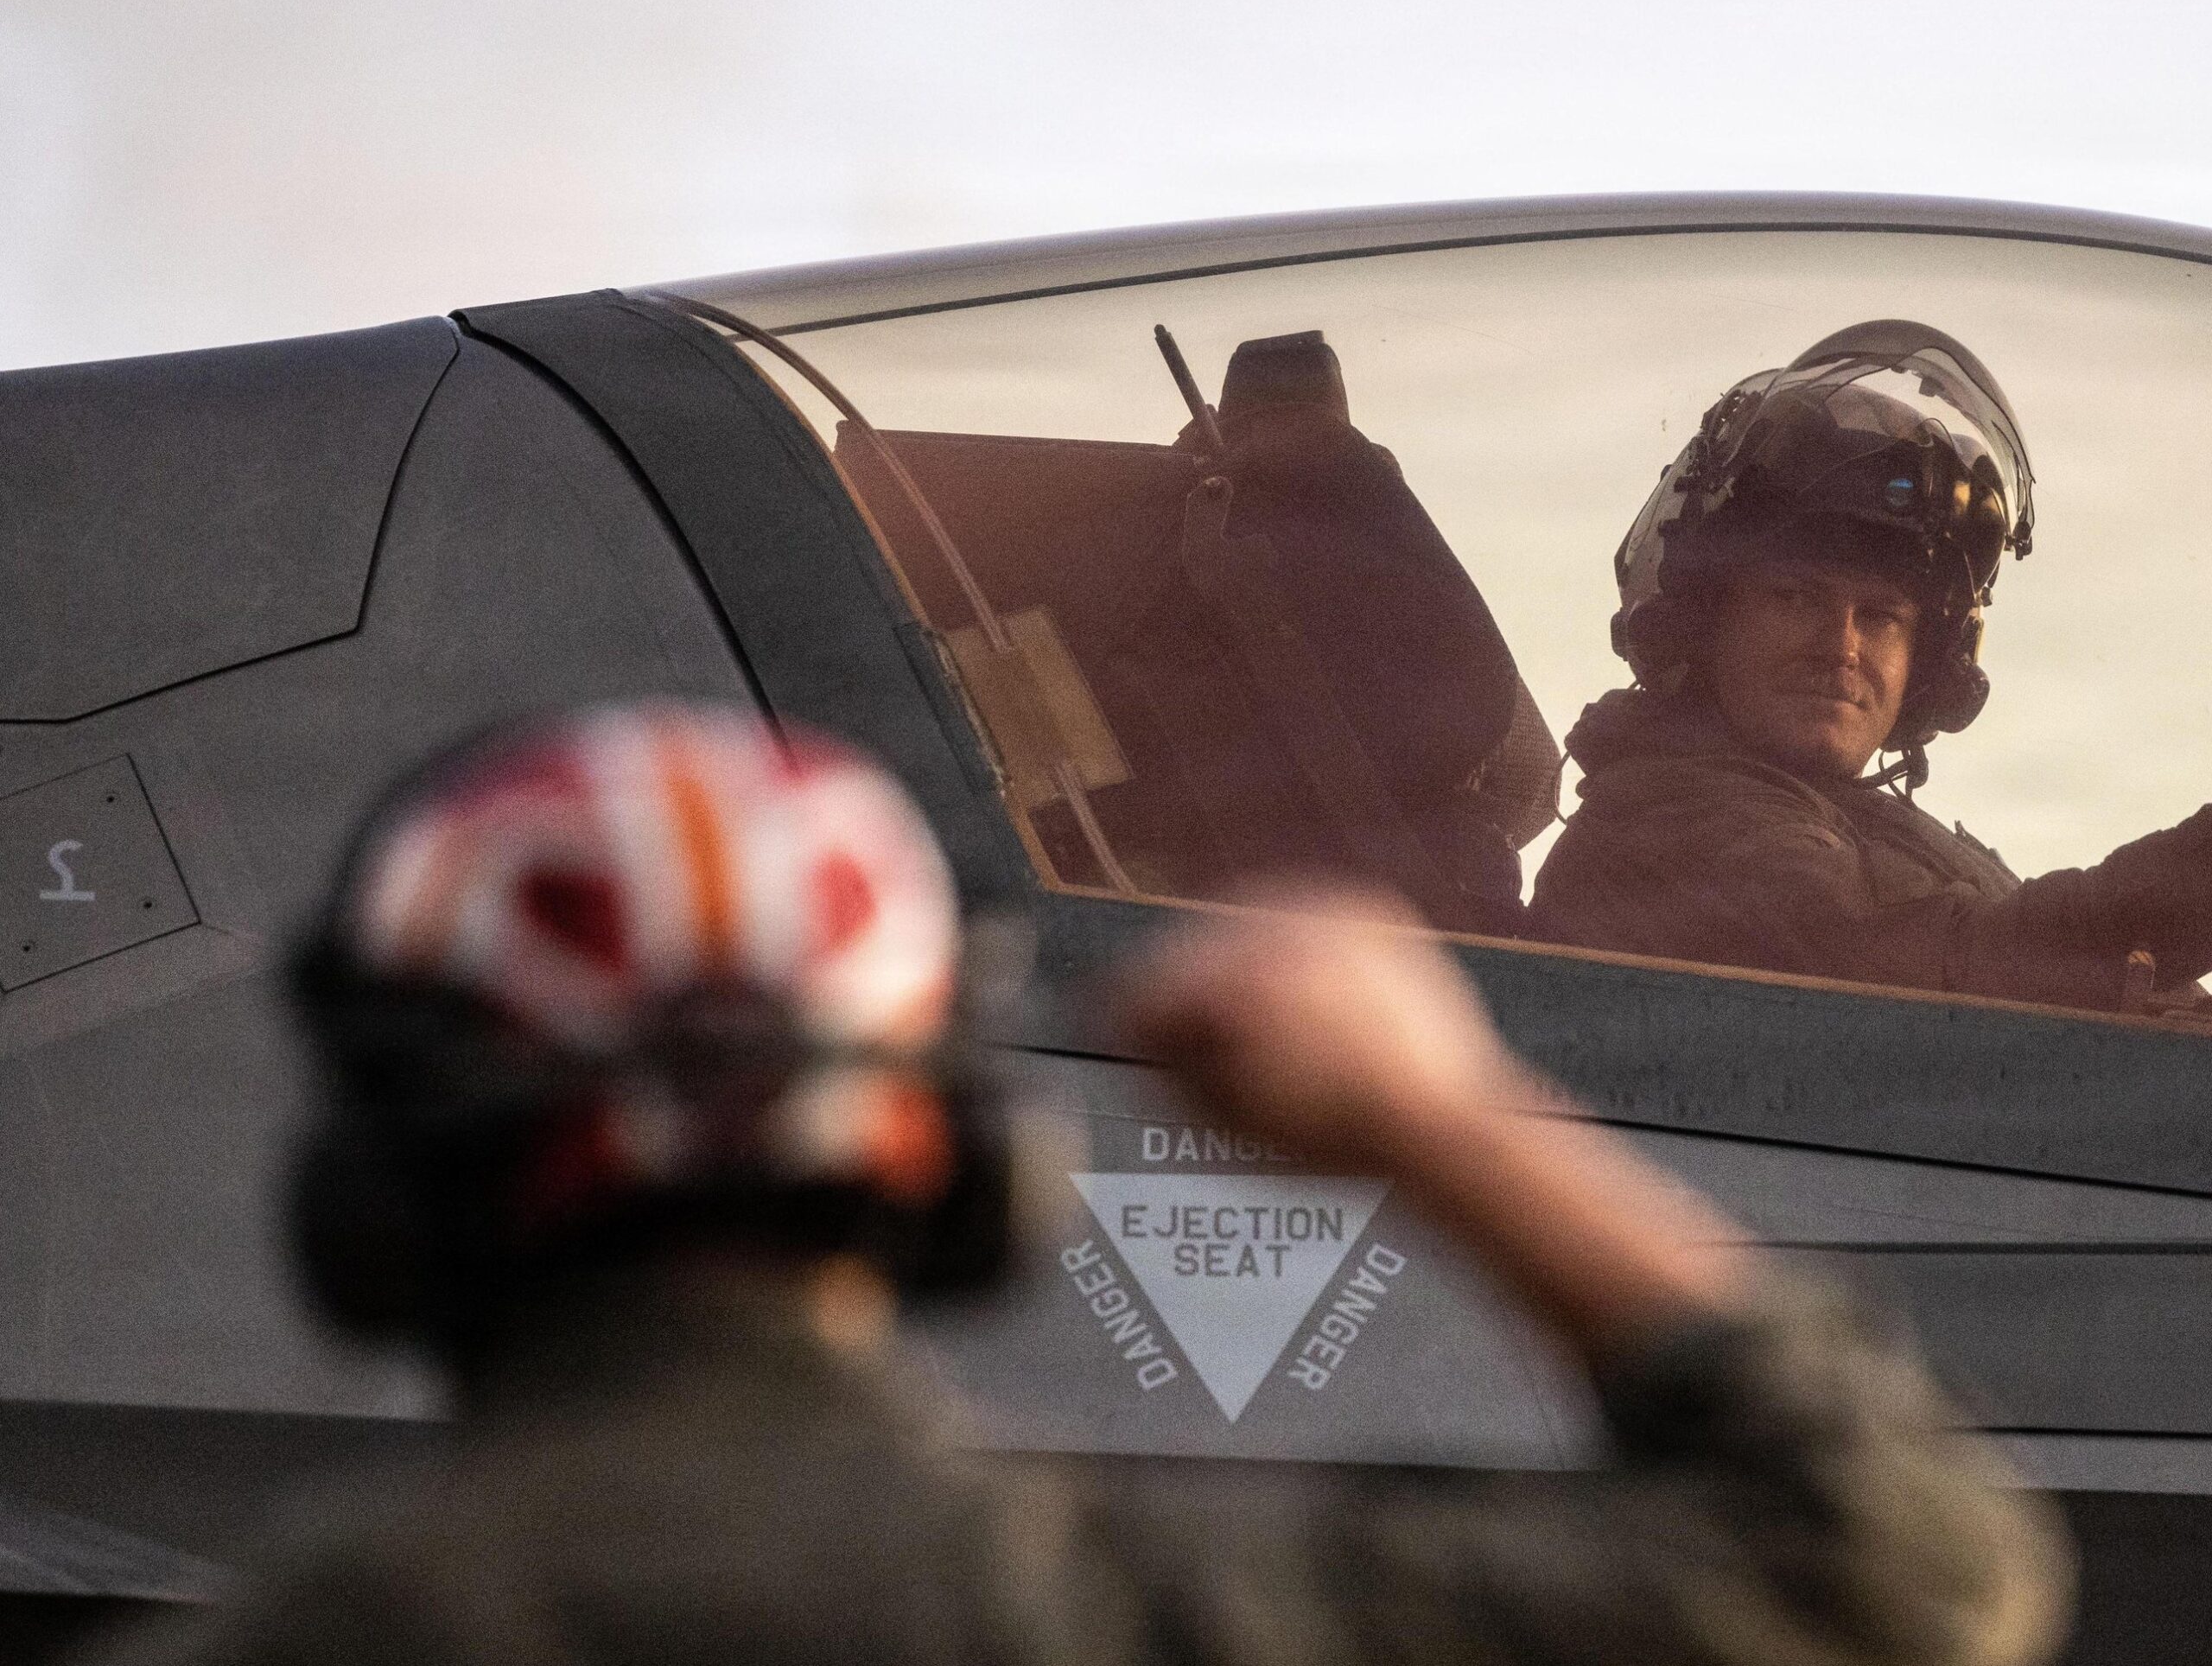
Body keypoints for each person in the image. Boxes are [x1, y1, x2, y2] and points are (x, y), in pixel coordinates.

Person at [94, 699, 2066, 1666]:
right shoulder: (1147, 1613)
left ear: (376, 1189)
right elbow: (1888, 1569)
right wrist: (1434, 1109)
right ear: (946, 1166)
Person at [1530, 320, 2212, 1013]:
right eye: (1795, 596)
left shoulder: (1858, 830)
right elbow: (1954, 968)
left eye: (1881, 616)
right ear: (1709, 619)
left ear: (1929, 660)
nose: (1843, 647)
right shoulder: (1668, 824)